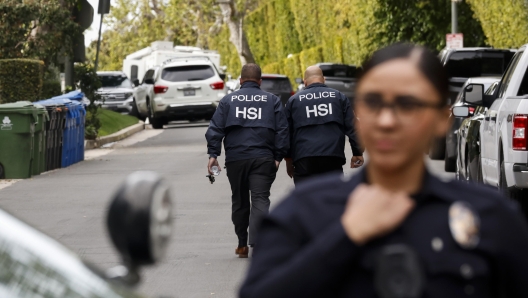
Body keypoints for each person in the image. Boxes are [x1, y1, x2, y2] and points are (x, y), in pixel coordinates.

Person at [239, 44, 528, 297]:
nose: (388, 120)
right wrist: (345, 235)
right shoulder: (301, 214)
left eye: (408, 104)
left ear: (442, 118)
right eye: (374, 103)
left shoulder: (490, 219)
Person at [205, 63, 289, 258]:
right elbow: (283, 131)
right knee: (260, 199)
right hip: (263, 158)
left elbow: (215, 129)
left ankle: (242, 244)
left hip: (236, 159)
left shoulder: (227, 101)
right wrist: (278, 157)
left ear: (240, 81)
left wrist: (213, 155)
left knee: (240, 201)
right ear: (260, 81)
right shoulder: (272, 101)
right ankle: (258, 243)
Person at [284, 65, 364, 184]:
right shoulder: (339, 97)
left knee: (305, 198)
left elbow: (287, 133)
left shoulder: (293, 101)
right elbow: (353, 126)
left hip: (304, 158)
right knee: (333, 196)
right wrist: (357, 152)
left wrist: (289, 160)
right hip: (333, 156)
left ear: (305, 82)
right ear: (324, 79)